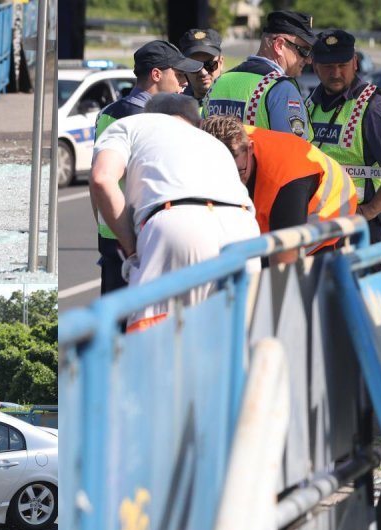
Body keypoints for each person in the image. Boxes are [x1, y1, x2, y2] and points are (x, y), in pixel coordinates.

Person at [90, 93, 260, 331]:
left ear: (150, 115)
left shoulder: (130, 125)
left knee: (152, 343)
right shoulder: (211, 141)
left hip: (178, 225)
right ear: (195, 122)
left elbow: (101, 179)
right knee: (230, 344)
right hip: (244, 229)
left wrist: (131, 250)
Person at [93, 40, 203, 297]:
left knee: (114, 324)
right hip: (142, 237)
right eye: (178, 75)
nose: (184, 82)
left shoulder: (108, 113)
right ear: (156, 74)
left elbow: (95, 182)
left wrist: (106, 225)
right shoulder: (153, 121)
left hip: (110, 234)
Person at [307, 29, 381, 246]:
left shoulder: (372, 105)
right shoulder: (310, 103)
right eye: (329, 66)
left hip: (358, 225)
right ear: (315, 66)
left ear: (355, 63)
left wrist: (369, 211)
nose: (336, 73)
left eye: (342, 65)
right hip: (318, 220)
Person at [200, 115, 357, 264]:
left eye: (239, 172)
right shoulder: (216, 142)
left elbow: (284, 263)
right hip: (280, 191)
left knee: (281, 272)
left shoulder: (286, 182)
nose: (231, 182)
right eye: (221, 175)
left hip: (328, 210)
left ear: (250, 149)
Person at [204, 10, 315, 139]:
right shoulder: (282, 89)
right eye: (304, 51)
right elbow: (294, 151)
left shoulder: (219, 82)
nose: (309, 60)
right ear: (279, 45)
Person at [179, 28, 224, 104]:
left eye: (210, 64)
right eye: (195, 65)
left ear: (221, 62)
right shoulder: (176, 106)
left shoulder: (235, 102)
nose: (203, 72)